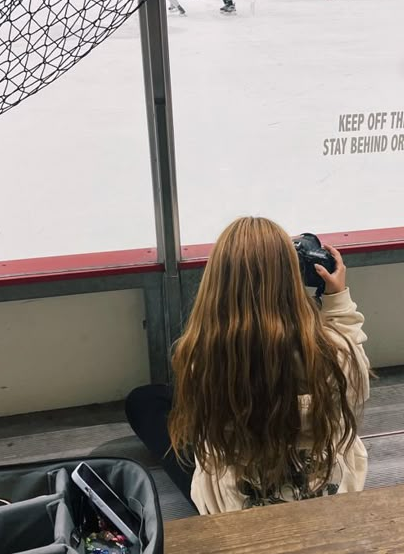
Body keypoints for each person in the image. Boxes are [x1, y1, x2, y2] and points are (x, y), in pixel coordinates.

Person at [125, 216, 370, 513]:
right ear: (291, 277)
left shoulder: (202, 357)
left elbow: (205, 439)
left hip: (239, 506)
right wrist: (337, 301)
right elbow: (355, 393)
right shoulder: (336, 352)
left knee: (145, 400)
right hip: (328, 493)